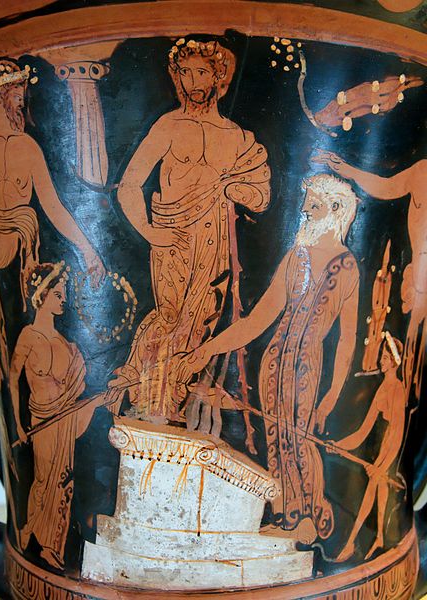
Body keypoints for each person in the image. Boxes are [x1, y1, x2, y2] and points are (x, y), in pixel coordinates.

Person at [177, 174, 360, 542]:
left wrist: (331, 397)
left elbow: (347, 341)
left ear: (336, 208)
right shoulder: (296, 257)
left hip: (307, 365)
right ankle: (284, 515)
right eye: (305, 203)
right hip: (274, 362)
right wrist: (207, 349)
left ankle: (306, 515)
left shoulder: (347, 266)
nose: (304, 210)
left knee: (299, 439)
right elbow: (258, 320)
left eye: (313, 204)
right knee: (276, 437)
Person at [107, 38, 271, 423]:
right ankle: (147, 399)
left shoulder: (236, 136)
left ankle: (171, 403)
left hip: (212, 244)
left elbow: (261, 196)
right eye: (185, 73)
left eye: (201, 73)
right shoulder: (169, 125)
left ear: (218, 77)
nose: (193, 82)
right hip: (173, 239)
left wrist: (234, 189)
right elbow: (129, 185)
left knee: (198, 326)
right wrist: (149, 232)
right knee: (168, 316)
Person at [0, 59, 105, 381]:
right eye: (16, 97)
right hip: (1, 236)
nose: (21, 104)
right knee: (14, 319)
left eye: (22, 97)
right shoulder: (1, 144)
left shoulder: (14, 145)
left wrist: (87, 249)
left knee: (20, 317)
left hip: (8, 237)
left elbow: (47, 205)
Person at [9, 262, 103, 569]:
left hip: (63, 420)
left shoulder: (68, 344)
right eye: (58, 295)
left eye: (64, 295)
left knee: (63, 481)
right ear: (42, 295)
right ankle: (29, 529)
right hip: (41, 420)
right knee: (42, 481)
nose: (64, 300)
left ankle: (52, 547)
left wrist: (99, 400)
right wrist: (18, 424)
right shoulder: (28, 335)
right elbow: (13, 379)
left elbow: (75, 391)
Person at [314, 150, 427, 399]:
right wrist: (347, 170)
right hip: (418, 283)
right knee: (411, 357)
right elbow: (386, 187)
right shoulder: (421, 172)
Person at [331, 334, 405, 561]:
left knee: (371, 494)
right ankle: (380, 537)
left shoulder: (397, 389)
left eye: (385, 357)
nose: (381, 361)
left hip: (389, 449)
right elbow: (363, 431)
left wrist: (382, 465)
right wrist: (339, 446)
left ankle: (351, 543)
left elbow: (397, 434)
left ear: (394, 361)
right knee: (379, 492)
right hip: (382, 449)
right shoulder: (382, 388)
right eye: (381, 356)